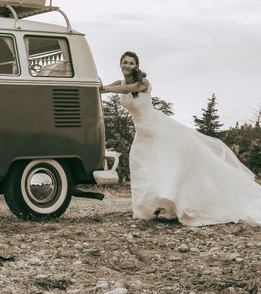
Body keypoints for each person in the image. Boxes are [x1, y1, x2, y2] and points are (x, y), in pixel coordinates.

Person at [100, 51, 261, 226]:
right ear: (120, 64)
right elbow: (109, 87)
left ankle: (177, 201)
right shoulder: (120, 83)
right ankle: (147, 207)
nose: (127, 65)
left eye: (131, 63)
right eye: (124, 62)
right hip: (142, 133)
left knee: (170, 163)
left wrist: (106, 89)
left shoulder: (143, 83)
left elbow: (127, 89)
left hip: (159, 128)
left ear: (136, 65)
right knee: (141, 164)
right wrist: (98, 87)